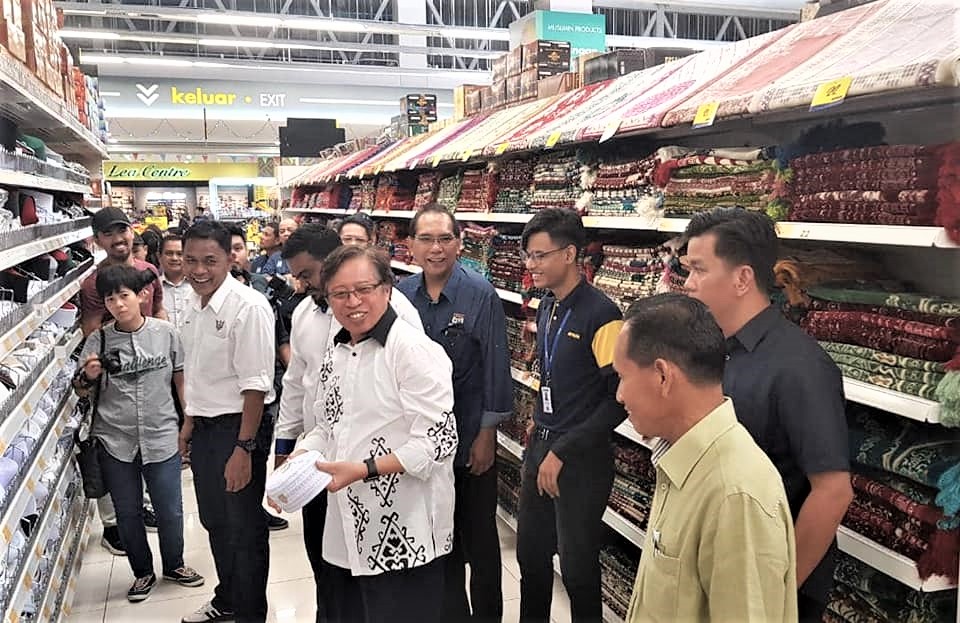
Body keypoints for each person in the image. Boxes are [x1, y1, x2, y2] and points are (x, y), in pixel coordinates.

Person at [682, 207, 853, 621]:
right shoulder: (716, 350)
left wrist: (777, 591)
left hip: (769, 585)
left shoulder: (799, 367)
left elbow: (833, 491)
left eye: (699, 270)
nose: (687, 283)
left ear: (742, 278)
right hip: (724, 565)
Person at [281, 244, 457, 623]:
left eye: (364, 289)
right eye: (340, 293)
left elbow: (437, 442)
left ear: (387, 289)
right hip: (348, 525)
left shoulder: (413, 350)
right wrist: (300, 459)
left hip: (405, 531)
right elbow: (327, 425)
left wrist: (364, 469)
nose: (353, 302)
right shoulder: (338, 349)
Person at [613, 293, 797, 622]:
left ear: (662, 376)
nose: (619, 395)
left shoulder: (735, 497)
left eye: (623, 377)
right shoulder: (683, 462)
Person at [398, 204, 511, 622]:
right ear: (410, 245)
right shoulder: (400, 296)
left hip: (469, 436)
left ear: (459, 244)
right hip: (422, 445)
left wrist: (487, 434)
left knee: (480, 540)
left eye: (445, 239)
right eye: (426, 239)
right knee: (438, 540)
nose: (436, 248)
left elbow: (496, 367)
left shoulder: (480, 293)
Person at [516, 208, 625, 623]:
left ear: (569, 254)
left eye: (540, 255)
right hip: (541, 445)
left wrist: (564, 449)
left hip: (580, 458)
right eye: (528, 255)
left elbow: (618, 400)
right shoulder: (548, 306)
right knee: (531, 555)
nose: (531, 264)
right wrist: (538, 420)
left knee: (578, 568)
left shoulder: (602, 315)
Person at [73, 264, 205, 603]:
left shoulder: (166, 333)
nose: (118, 304)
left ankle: (174, 564)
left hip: (161, 433)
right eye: (110, 299)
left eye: (124, 295)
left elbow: (180, 379)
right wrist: (88, 376)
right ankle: (142, 572)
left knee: (170, 508)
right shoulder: (98, 339)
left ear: (142, 295)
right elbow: (80, 390)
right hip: (114, 438)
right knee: (127, 511)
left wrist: (188, 422)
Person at [178, 221, 275, 623]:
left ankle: (251, 613)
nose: (199, 270)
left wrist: (244, 448)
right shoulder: (192, 304)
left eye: (210, 261)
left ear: (229, 258)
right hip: (205, 427)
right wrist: (189, 422)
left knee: (244, 529)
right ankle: (228, 598)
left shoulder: (248, 307)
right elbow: (196, 371)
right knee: (215, 521)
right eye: (191, 260)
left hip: (238, 429)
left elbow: (256, 386)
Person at [80, 207, 167, 554]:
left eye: (122, 230)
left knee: (143, 442)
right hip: (113, 378)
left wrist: (163, 344)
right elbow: (91, 331)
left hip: (151, 371)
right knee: (110, 448)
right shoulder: (93, 284)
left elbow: (158, 311)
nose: (118, 238)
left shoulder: (149, 272)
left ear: (132, 231)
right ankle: (112, 523)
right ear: (98, 240)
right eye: (109, 233)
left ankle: (140, 506)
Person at [225, 223, 290, 532]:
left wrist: (292, 375)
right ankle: (239, 511)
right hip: (229, 393)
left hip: (267, 385)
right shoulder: (210, 296)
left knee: (260, 448)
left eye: (238, 249)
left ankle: (256, 510)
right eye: (227, 250)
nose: (233, 256)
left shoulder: (263, 287)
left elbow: (280, 335)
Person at [160, 235, 190, 331]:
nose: (174, 258)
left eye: (180, 254)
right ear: (159, 256)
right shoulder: (153, 287)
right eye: (169, 253)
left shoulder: (198, 286)